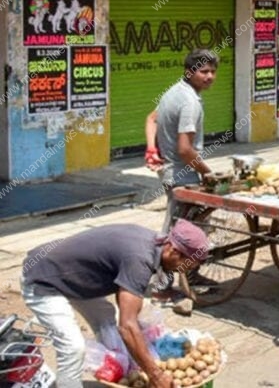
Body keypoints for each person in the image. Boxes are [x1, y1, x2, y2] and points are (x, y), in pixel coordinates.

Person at [20, 221, 209, 388]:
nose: (182, 270)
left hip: (73, 280)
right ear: (172, 250)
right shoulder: (140, 258)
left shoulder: (152, 245)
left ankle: (115, 368)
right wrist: (156, 375)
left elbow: (128, 303)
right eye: (186, 264)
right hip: (43, 281)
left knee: (107, 319)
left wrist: (140, 344)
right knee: (73, 347)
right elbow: (127, 327)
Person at [145, 49, 217, 234]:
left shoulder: (175, 90)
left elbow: (151, 119)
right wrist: (208, 173)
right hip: (182, 177)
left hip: (170, 173)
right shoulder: (189, 102)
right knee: (180, 234)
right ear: (189, 72)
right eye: (204, 71)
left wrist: (152, 149)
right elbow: (185, 150)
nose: (210, 76)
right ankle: (160, 262)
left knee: (178, 228)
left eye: (213, 71)